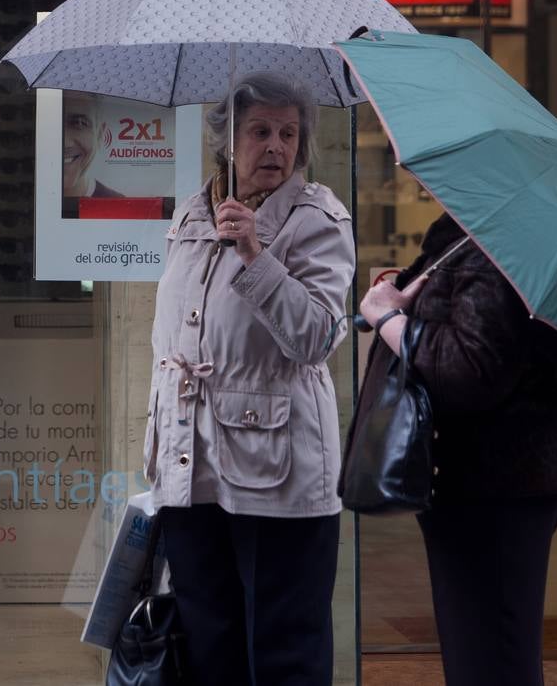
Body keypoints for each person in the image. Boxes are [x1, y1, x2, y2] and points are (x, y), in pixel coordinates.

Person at [145, 70, 354, 685]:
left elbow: (317, 335)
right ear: (226, 141)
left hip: (279, 471)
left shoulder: (316, 217)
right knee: (209, 644)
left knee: (285, 650)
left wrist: (256, 256)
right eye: (260, 131)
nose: (276, 147)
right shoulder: (192, 213)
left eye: (289, 134)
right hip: (193, 465)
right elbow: (175, 339)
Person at [350, 211, 557, 686]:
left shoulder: (493, 248)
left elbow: (469, 370)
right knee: (493, 650)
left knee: (490, 658)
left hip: (493, 480)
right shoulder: (486, 241)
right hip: (497, 476)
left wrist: (390, 319)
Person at [62, 91, 122, 200]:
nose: (64, 142)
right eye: (52, 123)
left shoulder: (119, 206)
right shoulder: (24, 200)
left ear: (99, 135)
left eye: (79, 123)